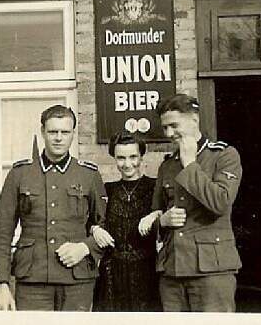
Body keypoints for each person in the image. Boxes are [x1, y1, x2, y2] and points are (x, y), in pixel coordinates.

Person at [0, 104, 107, 311]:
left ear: (73, 134)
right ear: (42, 132)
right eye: (53, 132)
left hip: (77, 280)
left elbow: (105, 225)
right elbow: (3, 232)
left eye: (65, 132)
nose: (59, 138)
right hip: (32, 281)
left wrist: (85, 247)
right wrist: (1, 284)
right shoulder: (20, 174)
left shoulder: (88, 175)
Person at [144, 93, 243, 312]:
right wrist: (163, 220)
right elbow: (156, 212)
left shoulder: (224, 156)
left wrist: (190, 165)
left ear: (194, 120)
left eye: (174, 125)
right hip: (173, 271)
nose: (169, 133)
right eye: (165, 127)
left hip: (211, 273)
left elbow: (221, 202)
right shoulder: (167, 165)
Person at [92, 132, 162, 312]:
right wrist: (95, 229)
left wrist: (155, 214)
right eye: (121, 158)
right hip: (111, 275)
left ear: (141, 156)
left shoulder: (155, 187)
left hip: (147, 273)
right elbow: (91, 218)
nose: (127, 164)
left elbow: (168, 212)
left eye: (133, 157)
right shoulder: (107, 189)